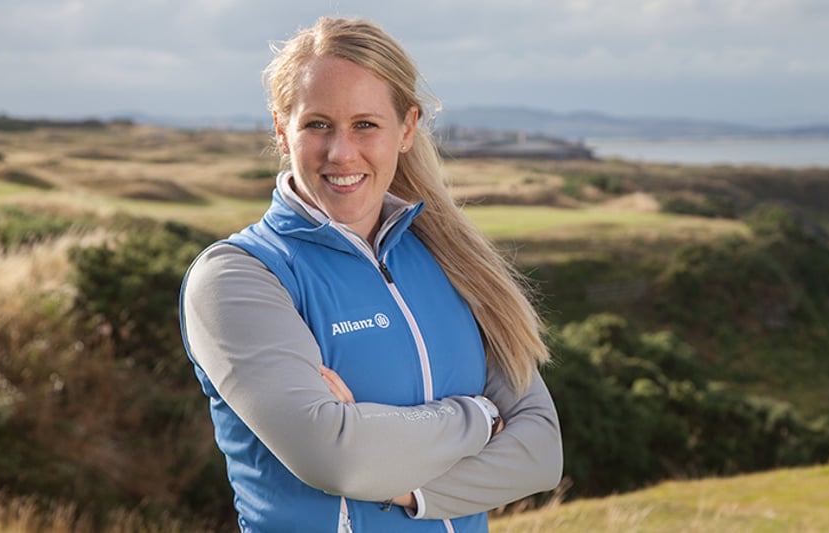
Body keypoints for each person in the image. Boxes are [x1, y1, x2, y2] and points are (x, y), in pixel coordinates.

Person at [179, 16, 563, 532]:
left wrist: (398, 480)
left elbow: (540, 452)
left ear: (406, 129)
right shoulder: (238, 277)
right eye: (318, 124)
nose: (341, 153)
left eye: (365, 124)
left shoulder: (451, 259)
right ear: (282, 131)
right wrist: (482, 417)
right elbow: (338, 460)